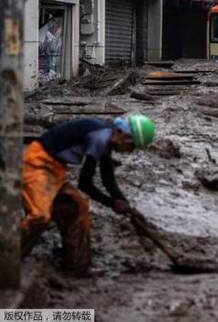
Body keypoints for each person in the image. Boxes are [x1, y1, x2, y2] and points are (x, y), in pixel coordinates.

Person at [20, 114, 155, 276]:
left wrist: (124, 203)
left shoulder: (105, 136)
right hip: (36, 164)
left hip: (55, 169)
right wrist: (112, 203)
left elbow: (107, 178)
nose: (129, 151)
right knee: (39, 215)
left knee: (77, 207)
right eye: (131, 146)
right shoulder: (99, 139)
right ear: (123, 135)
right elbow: (85, 183)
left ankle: (77, 267)